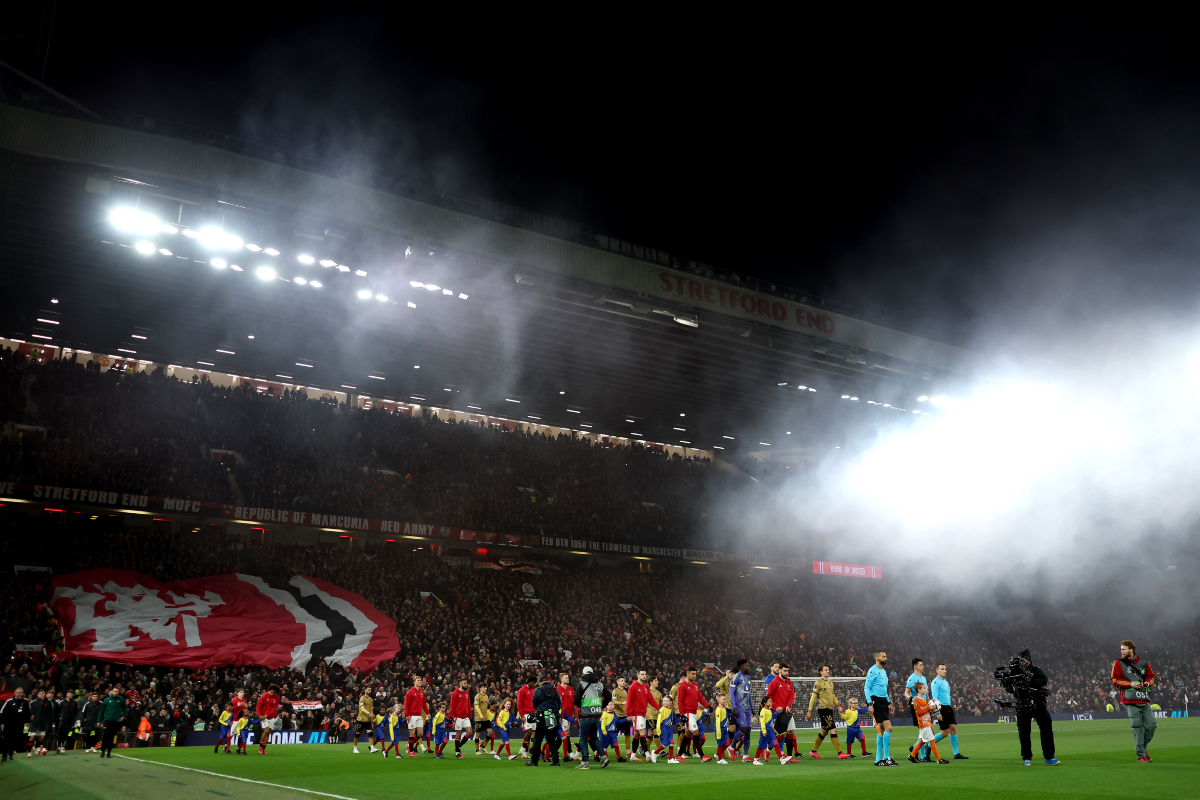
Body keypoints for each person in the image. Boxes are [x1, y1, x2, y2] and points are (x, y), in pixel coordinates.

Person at [1111, 639, 1156, 762]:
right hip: (1129, 700)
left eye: (1124, 649)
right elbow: (1114, 679)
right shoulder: (1118, 663)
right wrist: (1130, 683)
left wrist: (1147, 683)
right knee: (1137, 727)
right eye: (1121, 649)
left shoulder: (1143, 662)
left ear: (1131, 650)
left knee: (1152, 725)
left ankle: (1142, 747)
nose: (1122, 651)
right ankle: (1141, 755)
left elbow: (1150, 676)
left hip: (1143, 699)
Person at [1012, 649, 1058, 766]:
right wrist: (1014, 687)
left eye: (1025, 660)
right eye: (1022, 660)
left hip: (1038, 703)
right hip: (1022, 704)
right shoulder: (1014, 672)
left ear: (1029, 660)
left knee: (1046, 728)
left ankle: (1049, 756)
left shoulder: (1036, 670)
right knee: (1024, 732)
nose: (1024, 662)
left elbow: (1044, 680)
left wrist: (1028, 683)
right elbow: (1008, 686)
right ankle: (1027, 758)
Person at [573, 665, 611, 769]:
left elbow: (576, 700)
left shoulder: (581, 684)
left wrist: (583, 707)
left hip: (586, 715)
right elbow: (608, 696)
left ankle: (585, 762)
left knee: (583, 738)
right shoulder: (599, 684)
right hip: (597, 715)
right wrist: (600, 706)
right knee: (594, 737)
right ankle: (603, 757)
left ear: (583, 673)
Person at [807, 664, 847, 759]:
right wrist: (809, 710)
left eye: (828, 669)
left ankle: (813, 751)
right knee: (833, 729)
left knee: (824, 731)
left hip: (830, 709)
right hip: (823, 709)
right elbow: (813, 697)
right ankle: (840, 753)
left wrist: (838, 706)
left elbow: (833, 696)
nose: (828, 671)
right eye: (826, 670)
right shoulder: (818, 683)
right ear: (821, 672)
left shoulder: (830, 683)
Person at [866, 651, 897, 766]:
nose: (886, 658)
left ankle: (878, 759)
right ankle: (886, 757)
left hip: (883, 701)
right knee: (888, 728)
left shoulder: (883, 672)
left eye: (886, 656)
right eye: (884, 656)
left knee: (881, 730)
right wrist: (870, 704)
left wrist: (889, 703)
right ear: (877, 658)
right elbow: (866, 688)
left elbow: (884, 690)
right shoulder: (872, 670)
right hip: (876, 701)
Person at [931, 663, 967, 759]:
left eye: (945, 669)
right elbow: (934, 698)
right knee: (945, 732)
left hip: (948, 707)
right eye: (942, 669)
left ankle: (956, 753)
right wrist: (937, 712)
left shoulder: (945, 682)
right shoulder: (935, 682)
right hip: (941, 708)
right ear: (937, 671)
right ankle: (929, 745)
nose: (944, 671)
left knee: (953, 728)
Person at [524, 674, 561, 766]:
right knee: (551, 739)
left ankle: (534, 761)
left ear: (540, 682)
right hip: (554, 716)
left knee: (537, 739)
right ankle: (556, 761)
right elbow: (559, 704)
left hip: (543, 716)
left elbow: (534, 704)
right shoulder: (555, 690)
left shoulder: (538, 690)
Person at [906, 683, 947, 764]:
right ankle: (939, 759)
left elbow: (925, 711)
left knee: (922, 741)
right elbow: (919, 711)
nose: (926, 690)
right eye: (924, 688)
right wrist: (929, 708)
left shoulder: (923, 700)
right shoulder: (916, 700)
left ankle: (912, 755)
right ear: (919, 690)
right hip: (923, 724)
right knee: (932, 740)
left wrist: (931, 713)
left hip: (927, 722)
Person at [763, 662, 796, 762]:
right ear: (780, 670)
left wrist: (788, 705)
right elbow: (768, 696)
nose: (786, 673)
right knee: (782, 735)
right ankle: (768, 749)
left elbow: (791, 696)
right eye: (785, 671)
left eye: (787, 671)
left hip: (787, 711)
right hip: (778, 712)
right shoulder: (774, 682)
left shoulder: (789, 683)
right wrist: (775, 707)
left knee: (790, 732)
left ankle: (789, 756)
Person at [676, 666, 710, 761]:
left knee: (688, 734)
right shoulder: (682, 686)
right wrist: (682, 714)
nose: (694, 676)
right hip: (688, 713)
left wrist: (708, 706)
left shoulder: (695, 685)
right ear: (687, 674)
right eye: (692, 674)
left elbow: (700, 698)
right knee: (696, 732)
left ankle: (678, 755)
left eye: (695, 674)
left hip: (694, 713)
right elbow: (680, 701)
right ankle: (702, 756)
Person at [625, 669, 659, 761]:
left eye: (645, 674)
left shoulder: (645, 687)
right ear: (638, 675)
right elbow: (629, 701)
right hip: (636, 714)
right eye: (642, 674)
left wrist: (659, 708)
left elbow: (651, 700)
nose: (644, 676)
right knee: (643, 733)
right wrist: (628, 714)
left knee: (636, 735)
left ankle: (633, 755)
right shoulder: (633, 686)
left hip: (642, 714)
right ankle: (647, 754)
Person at [905, 658, 930, 760]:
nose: (923, 666)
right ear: (915, 667)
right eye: (920, 665)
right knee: (923, 730)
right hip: (917, 707)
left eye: (922, 664)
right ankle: (923, 755)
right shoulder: (912, 678)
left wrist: (930, 704)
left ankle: (915, 747)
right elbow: (906, 692)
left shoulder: (924, 678)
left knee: (926, 730)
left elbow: (926, 694)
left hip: (925, 706)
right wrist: (912, 699)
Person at [729, 659, 753, 762]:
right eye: (747, 666)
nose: (749, 667)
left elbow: (749, 694)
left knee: (748, 731)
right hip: (739, 707)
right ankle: (731, 748)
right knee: (743, 728)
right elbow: (731, 693)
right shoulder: (736, 677)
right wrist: (733, 707)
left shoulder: (748, 678)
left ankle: (745, 756)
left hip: (747, 708)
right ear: (741, 667)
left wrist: (752, 708)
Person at [1, 687, 31, 762]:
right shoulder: (9, 701)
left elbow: (28, 712)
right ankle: (4, 756)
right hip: (9, 725)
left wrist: (28, 721)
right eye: (17, 693)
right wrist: (1, 723)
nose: (19, 694)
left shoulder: (26, 701)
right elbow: (2, 713)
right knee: (6, 740)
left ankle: (11, 753)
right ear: (14, 693)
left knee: (16, 740)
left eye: (20, 693)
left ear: (22, 693)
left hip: (20, 725)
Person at [753, 695, 786, 765]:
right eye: (770, 701)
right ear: (765, 703)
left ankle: (781, 758)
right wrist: (764, 731)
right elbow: (762, 721)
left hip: (771, 730)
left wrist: (778, 713)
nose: (771, 703)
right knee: (761, 745)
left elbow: (771, 717)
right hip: (766, 730)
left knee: (776, 743)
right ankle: (756, 759)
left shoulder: (769, 710)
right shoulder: (763, 710)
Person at [557, 672, 581, 762]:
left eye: (568, 677)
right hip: (562, 716)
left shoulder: (571, 689)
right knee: (566, 734)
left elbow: (574, 703)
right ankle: (570, 753)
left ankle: (552, 751)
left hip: (570, 715)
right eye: (566, 678)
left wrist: (575, 713)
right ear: (561, 679)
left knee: (563, 735)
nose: (568, 679)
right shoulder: (558, 690)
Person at [404, 676, 430, 757]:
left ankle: (409, 745)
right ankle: (411, 751)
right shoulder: (410, 692)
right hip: (412, 715)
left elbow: (424, 705)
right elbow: (406, 704)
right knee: (412, 733)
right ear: (414, 682)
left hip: (419, 715)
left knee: (420, 733)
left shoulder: (422, 692)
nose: (420, 682)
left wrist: (427, 713)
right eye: (418, 680)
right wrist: (407, 714)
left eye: (420, 680)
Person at [98, 686, 127, 759]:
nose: (115, 693)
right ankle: (103, 751)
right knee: (105, 735)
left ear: (118, 692)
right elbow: (102, 710)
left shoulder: (120, 699)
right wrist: (99, 720)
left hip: (115, 720)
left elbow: (125, 708)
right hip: (107, 719)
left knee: (111, 736)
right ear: (112, 691)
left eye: (117, 691)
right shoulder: (107, 700)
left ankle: (109, 752)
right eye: (114, 691)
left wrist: (123, 716)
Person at [255, 685, 284, 756]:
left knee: (268, 733)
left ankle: (264, 748)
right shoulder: (264, 696)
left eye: (273, 693)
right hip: (263, 717)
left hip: (271, 716)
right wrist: (259, 715)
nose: (271, 694)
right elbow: (258, 705)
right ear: (269, 690)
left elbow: (274, 707)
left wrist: (268, 714)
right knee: (266, 731)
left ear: (276, 693)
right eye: (271, 692)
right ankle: (260, 748)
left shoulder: (277, 697)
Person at [448, 679, 474, 759]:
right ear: (460, 684)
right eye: (464, 683)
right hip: (457, 716)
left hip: (465, 716)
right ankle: (457, 752)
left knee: (469, 733)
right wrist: (451, 717)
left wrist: (470, 716)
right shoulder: (455, 693)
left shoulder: (466, 693)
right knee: (458, 734)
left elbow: (468, 705)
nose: (466, 684)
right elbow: (452, 706)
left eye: (466, 683)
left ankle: (458, 746)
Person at [516, 675, 536, 758]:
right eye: (534, 683)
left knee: (533, 733)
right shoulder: (522, 690)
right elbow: (519, 703)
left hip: (533, 714)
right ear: (530, 682)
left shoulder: (534, 690)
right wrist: (521, 715)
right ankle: (524, 750)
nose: (535, 685)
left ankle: (523, 749)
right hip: (526, 714)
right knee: (529, 731)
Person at [654, 695, 678, 763]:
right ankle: (655, 753)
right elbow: (659, 720)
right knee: (665, 745)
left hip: (669, 728)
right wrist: (658, 730)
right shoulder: (662, 709)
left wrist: (682, 719)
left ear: (671, 702)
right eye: (664, 701)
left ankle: (670, 759)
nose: (665, 702)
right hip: (663, 728)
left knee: (671, 743)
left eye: (667, 701)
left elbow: (675, 719)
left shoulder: (671, 709)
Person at [611, 676, 631, 755]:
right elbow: (614, 701)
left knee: (628, 733)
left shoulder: (625, 692)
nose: (623, 682)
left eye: (624, 680)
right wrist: (622, 703)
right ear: (618, 682)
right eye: (622, 681)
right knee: (612, 734)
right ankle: (604, 749)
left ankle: (628, 752)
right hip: (617, 716)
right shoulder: (615, 691)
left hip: (625, 715)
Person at [474, 683, 493, 755]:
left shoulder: (486, 696)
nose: (485, 688)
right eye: (484, 687)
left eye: (486, 687)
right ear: (480, 688)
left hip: (485, 718)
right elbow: (476, 707)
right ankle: (477, 751)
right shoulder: (477, 696)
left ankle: (483, 746)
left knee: (490, 732)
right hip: (479, 718)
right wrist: (481, 715)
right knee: (478, 735)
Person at [353, 689, 374, 754]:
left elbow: (370, 708)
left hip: (367, 719)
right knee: (358, 734)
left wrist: (371, 717)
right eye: (369, 690)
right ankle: (355, 748)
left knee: (370, 733)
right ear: (365, 690)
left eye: (370, 690)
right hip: (361, 719)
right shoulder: (362, 698)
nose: (370, 691)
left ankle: (372, 748)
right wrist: (369, 713)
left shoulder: (371, 699)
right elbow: (362, 708)